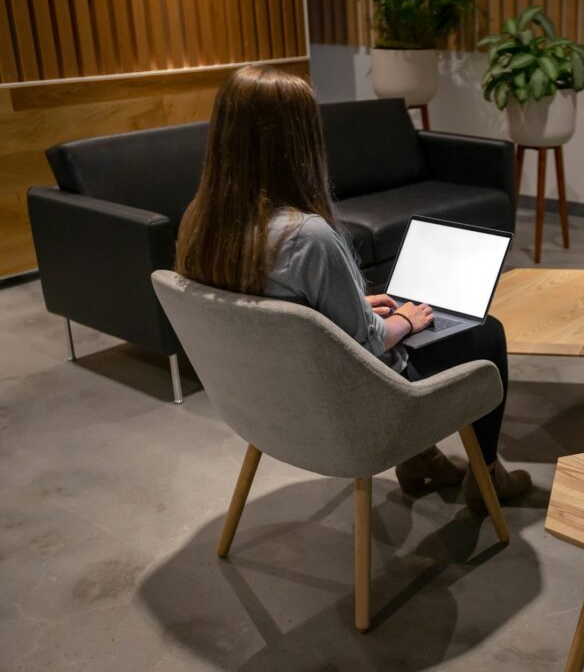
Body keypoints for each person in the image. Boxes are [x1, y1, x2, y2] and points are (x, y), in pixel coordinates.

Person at [174, 65, 531, 510]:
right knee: (485, 332)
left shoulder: (200, 222)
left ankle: (421, 460)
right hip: (355, 408)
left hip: (269, 404)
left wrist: (350, 306)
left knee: (396, 314)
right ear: (297, 142)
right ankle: (486, 477)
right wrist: (403, 321)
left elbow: (272, 306)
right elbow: (368, 344)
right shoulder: (304, 236)